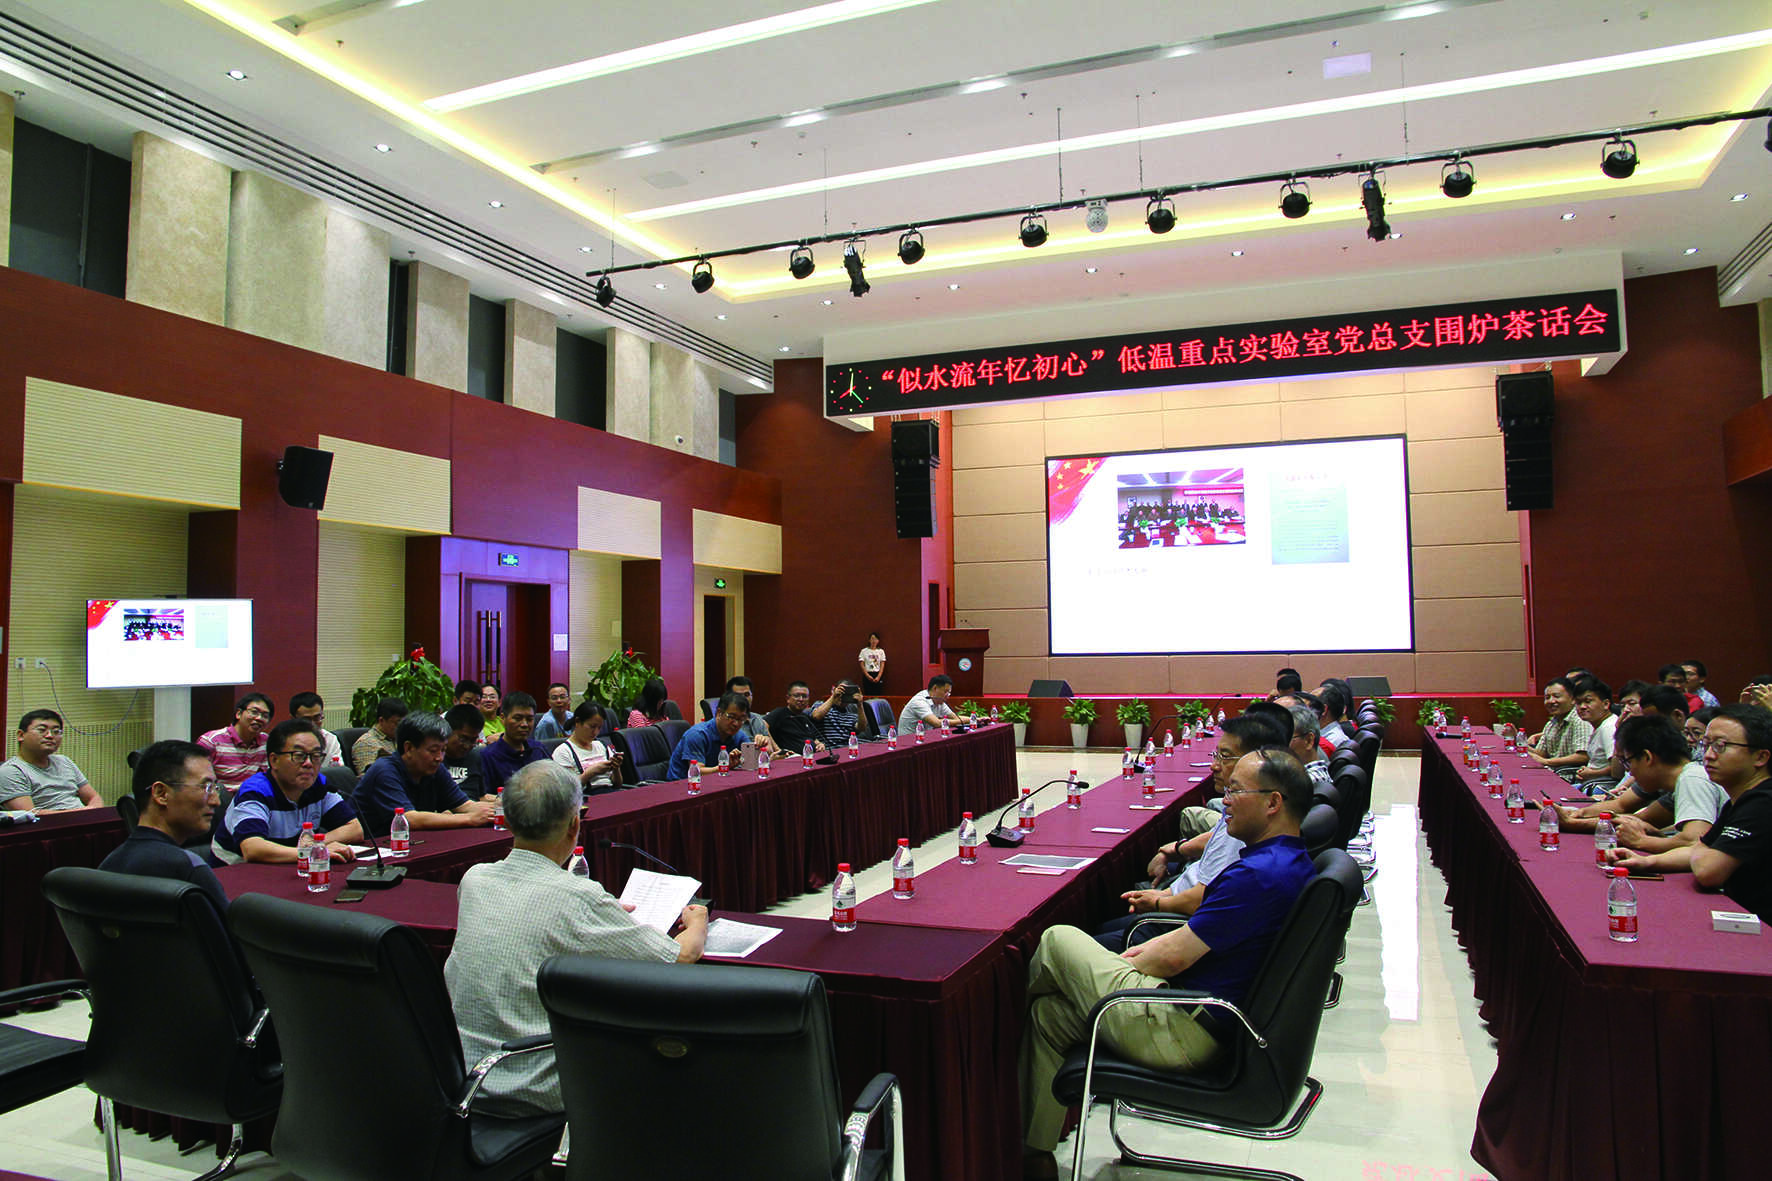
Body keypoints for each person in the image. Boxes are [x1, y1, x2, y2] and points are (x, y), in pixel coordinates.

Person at [1019, 748, 1316, 1179]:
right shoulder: (1289, 861)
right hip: (1213, 1020)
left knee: (1056, 940)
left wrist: (1114, 964)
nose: (1226, 800)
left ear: (1273, 802)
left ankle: (986, 1043)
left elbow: (1172, 957)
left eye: (1237, 790)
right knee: (1049, 1015)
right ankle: (1034, 1155)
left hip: (1186, 1030)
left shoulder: (1258, 875)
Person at [444, 762, 706, 1117]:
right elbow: (681, 958)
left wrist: (598, 914)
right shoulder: (578, 896)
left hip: (466, 1076)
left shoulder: (475, 879)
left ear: (507, 821)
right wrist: (697, 920)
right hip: (536, 1087)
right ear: (574, 824)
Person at [1610, 703, 1772, 922]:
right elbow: (1700, 848)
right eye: (1707, 744)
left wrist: (1702, 850)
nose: (1709, 755)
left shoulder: (1762, 802)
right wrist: (1647, 862)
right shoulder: (1740, 800)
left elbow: (1708, 871)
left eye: (1721, 746)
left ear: (1760, 757)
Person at [1547, 714, 1723, 847]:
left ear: (1647, 757)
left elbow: (1693, 842)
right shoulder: (1678, 782)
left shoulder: (1692, 779)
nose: (1628, 771)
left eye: (1627, 762)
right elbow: (1640, 818)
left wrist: (1641, 841)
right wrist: (1576, 817)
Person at [97, 739, 229, 916]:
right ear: (161, 794)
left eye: (215, 788)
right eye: (206, 787)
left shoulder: (107, 867)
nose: (216, 801)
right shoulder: (190, 871)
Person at [213, 719, 362, 865]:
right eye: (298, 755)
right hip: (233, 871)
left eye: (316, 755)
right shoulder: (256, 791)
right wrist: (313, 851)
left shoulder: (318, 784)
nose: (308, 763)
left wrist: (315, 844)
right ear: (274, 760)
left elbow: (354, 829)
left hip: (287, 865)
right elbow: (252, 848)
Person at [352, 711, 497, 835]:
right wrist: (470, 819)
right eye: (433, 750)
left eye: (443, 750)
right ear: (409, 748)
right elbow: (409, 819)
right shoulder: (384, 771)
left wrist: (499, 811)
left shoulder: (435, 768)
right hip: (373, 850)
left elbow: (465, 805)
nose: (440, 758)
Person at [1, 709, 101, 813]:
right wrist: (80, 814)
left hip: (84, 818)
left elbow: (94, 797)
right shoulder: (11, 771)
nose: (50, 735)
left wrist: (93, 810)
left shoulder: (64, 761)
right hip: (52, 822)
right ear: (21, 735)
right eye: (41, 730)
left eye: (56, 731)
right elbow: (29, 814)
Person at [666, 691, 750, 781]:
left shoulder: (739, 735)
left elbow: (751, 761)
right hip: (683, 784)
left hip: (715, 782)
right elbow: (697, 772)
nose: (736, 723)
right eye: (731, 717)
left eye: (741, 719)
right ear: (719, 713)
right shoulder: (697, 735)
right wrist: (724, 766)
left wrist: (760, 746)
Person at [197, 693, 275, 789]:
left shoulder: (267, 742)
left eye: (265, 715)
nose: (259, 718)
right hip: (221, 796)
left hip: (252, 795)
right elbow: (198, 778)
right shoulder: (211, 741)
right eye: (254, 712)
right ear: (238, 714)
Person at [479, 692, 550, 791]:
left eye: (529, 719)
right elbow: (484, 796)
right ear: (503, 718)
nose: (524, 724)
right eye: (518, 718)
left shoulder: (539, 749)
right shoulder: (487, 756)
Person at [1524, 677, 1592, 782]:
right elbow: (1540, 754)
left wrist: (1547, 762)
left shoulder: (1580, 720)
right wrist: (1518, 742)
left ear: (1573, 699)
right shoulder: (1551, 723)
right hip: (1551, 773)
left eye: (1556, 696)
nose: (1551, 701)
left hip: (1570, 778)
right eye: (1547, 697)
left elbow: (1583, 756)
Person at [552, 701, 621, 790]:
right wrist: (590, 773)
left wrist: (616, 768)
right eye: (592, 727)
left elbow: (617, 785)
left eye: (599, 728)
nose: (595, 732)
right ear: (577, 721)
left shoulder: (602, 746)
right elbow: (568, 790)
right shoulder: (563, 752)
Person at [1570, 677, 1620, 796]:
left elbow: (1616, 769)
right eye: (1578, 703)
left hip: (1604, 787)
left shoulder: (1609, 727)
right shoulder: (1599, 725)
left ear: (1606, 704)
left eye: (1588, 701)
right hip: (1592, 781)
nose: (1582, 707)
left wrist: (1592, 773)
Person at [443, 704, 490, 800]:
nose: (467, 746)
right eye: (463, 739)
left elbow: (481, 796)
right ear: (447, 731)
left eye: (473, 740)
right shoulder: (434, 760)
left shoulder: (475, 757)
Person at [288, 692, 346, 768]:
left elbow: (338, 770)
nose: (312, 724)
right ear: (293, 719)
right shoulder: (284, 740)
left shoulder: (330, 739)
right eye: (306, 720)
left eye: (317, 718)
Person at [764, 682, 826, 753]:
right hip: (790, 757)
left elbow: (813, 739)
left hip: (811, 756)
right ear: (788, 698)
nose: (801, 699)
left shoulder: (805, 717)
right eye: (797, 696)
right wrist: (777, 750)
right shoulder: (779, 713)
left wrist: (819, 744)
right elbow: (763, 725)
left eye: (804, 696)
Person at [352, 696, 407, 773]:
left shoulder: (398, 739)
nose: (401, 727)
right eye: (397, 723)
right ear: (381, 721)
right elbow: (370, 776)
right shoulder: (366, 743)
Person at [724, 676, 779, 753]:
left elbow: (770, 751)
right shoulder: (727, 723)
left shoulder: (758, 718)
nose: (743, 699)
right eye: (739, 696)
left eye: (747, 695)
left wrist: (766, 743)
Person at [814, 680, 868, 749]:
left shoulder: (851, 714)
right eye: (841, 693)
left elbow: (862, 728)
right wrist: (833, 697)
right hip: (829, 750)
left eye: (846, 694)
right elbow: (816, 716)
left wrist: (860, 705)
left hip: (846, 750)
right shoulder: (819, 705)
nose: (841, 697)